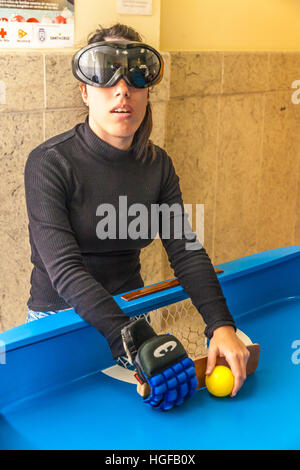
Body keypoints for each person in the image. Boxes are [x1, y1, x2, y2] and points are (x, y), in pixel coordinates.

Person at [24, 23, 249, 410]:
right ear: (84, 90)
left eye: (136, 77)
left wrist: (221, 325)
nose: (122, 90)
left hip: (130, 310)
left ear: (147, 91)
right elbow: (65, 271)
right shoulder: (49, 163)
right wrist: (132, 339)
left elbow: (187, 252)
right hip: (59, 322)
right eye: (105, 76)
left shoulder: (157, 165)